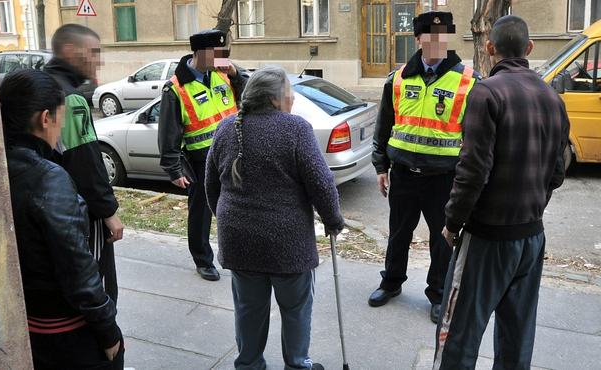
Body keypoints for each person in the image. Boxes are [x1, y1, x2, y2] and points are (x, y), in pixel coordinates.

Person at [433, 15, 570, 369]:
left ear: (489, 48)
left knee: (458, 337)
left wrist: (452, 223)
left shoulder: (487, 92)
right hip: (531, 238)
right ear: (529, 48)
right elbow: (557, 172)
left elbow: (472, 171)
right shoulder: (553, 99)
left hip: (486, 240)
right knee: (516, 339)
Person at [206, 65, 345, 370]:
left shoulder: (226, 128)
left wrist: (231, 221)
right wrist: (333, 220)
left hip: (239, 240)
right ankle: (297, 365)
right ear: (274, 98)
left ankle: (249, 365)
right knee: (295, 309)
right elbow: (321, 183)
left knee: (248, 309)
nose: (293, 98)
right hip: (287, 244)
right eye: (289, 92)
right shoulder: (295, 128)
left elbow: (211, 186)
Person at [0, 69, 124, 370]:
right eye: (60, 118)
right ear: (45, 118)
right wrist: (109, 330)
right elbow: (77, 269)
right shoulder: (47, 178)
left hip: (24, 320)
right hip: (65, 329)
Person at [370, 11, 481, 323]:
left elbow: (475, 138)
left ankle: (438, 293)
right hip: (403, 175)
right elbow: (383, 127)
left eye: (441, 36)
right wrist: (381, 166)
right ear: (418, 40)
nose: (436, 42)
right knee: (398, 234)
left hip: (444, 178)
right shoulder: (398, 79)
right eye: (430, 37)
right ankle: (391, 283)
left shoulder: (467, 81)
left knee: (442, 239)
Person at [158, 29, 247, 281]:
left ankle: (239, 252)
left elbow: (250, 94)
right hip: (201, 160)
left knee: (238, 206)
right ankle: (202, 260)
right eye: (217, 54)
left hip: (232, 154)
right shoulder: (175, 88)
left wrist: (237, 75)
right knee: (201, 212)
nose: (223, 58)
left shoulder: (224, 74)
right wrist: (173, 169)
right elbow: (168, 134)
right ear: (201, 53)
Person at [44, 24, 124, 301]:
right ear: (70, 51)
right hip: (81, 211)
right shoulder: (73, 98)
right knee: (98, 282)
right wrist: (107, 211)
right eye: (93, 52)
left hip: (48, 205)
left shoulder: (43, 85)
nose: (99, 60)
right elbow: (84, 160)